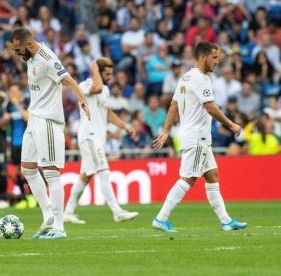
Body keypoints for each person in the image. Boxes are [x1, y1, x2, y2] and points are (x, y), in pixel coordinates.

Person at [152, 42, 248, 232]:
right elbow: (210, 107)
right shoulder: (201, 79)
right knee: (188, 178)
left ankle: (226, 221)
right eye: (213, 57)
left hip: (195, 136)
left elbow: (173, 106)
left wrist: (165, 131)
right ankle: (160, 218)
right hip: (197, 137)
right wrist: (232, 124)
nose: (217, 61)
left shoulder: (185, 77)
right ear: (202, 57)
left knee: (212, 175)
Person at [9, 27, 90, 239]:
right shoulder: (30, 57)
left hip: (48, 121)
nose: (16, 53)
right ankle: (48, 218)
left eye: (18, 49)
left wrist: (83, 101)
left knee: (51, 173)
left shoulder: (47, 58)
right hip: (34, 117)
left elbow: (69, 80)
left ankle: (60, 227)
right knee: (27, 169)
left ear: (28, 44)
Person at [64, 58, 138, 224]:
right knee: (104, 171)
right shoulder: (84, 85)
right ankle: (117, 211)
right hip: (89, 135)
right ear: (97, 71)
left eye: (111, 74)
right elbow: (96, 88)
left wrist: (124, 125)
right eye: (107, 74)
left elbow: (107, 112)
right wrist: (95, 69)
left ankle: (68, 211)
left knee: (86, 175)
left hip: (96, 137)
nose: (110, 77)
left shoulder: (106, 89)